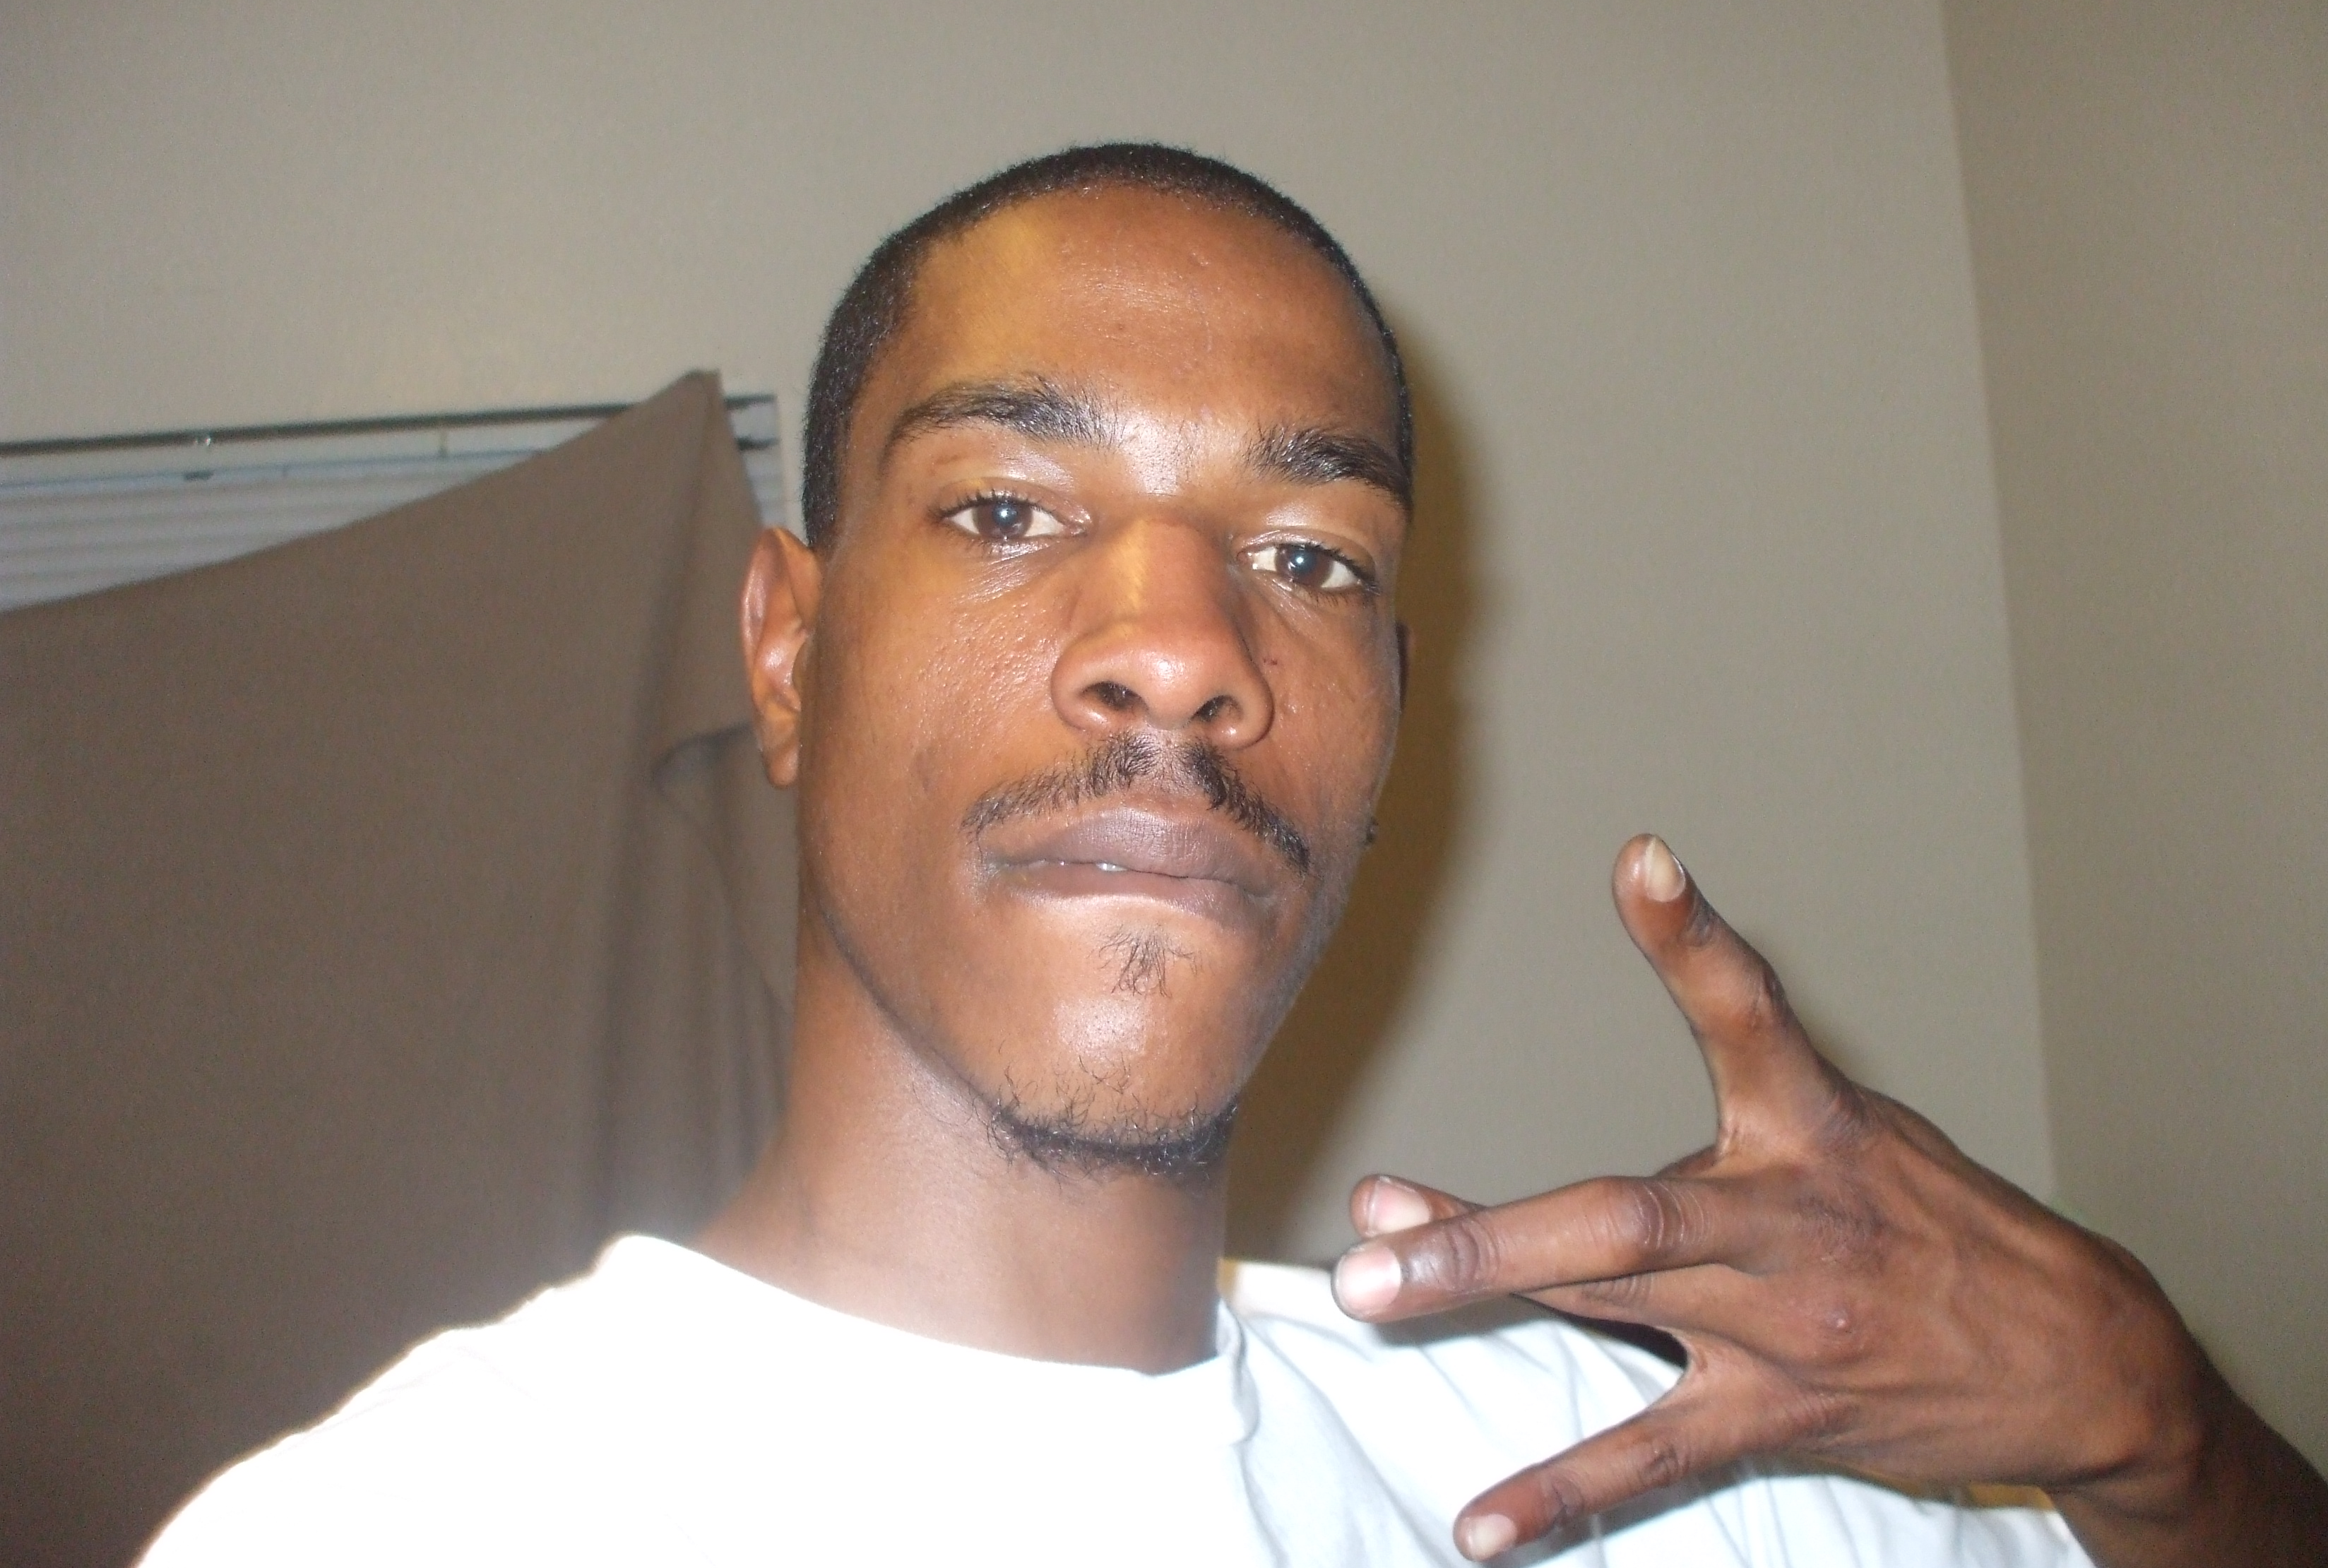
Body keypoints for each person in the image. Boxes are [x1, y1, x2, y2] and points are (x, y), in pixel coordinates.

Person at [143, 144, 2326, 1566]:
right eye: (1009, 510)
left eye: (1310, 556)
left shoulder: (1627, 1478)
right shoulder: (404, 1528)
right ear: (791, 652)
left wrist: (2163, 1436)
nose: (1185, 650)